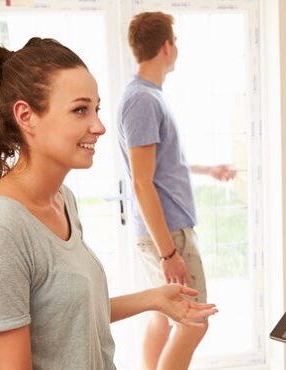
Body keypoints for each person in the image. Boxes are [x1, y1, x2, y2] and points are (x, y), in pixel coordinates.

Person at [0, 37, 218, 370]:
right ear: (26, 116)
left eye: (96, 109)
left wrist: (152, 299)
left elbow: (69, 316)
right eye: (80, 110)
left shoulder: (62, 201)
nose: (98, 127)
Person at [116, 11, 236, 370]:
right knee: (193, 320)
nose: (177, 48)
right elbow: (141, 181)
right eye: (177, 41)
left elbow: (161, 166)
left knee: (164, 314)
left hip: (166, 231)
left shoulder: (148, 96)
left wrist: (207, 170)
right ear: (166, 46)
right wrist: (169, 254)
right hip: (167, 234)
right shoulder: (142, 100)